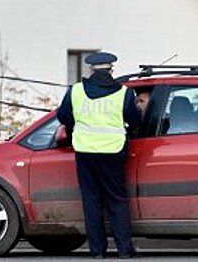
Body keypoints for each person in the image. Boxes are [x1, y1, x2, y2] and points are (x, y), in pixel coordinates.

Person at [57, 52, 140, 259]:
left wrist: (76, 124)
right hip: (113, 152)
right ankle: (124, 250)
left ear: (91, 70)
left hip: (85, 152)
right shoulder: (124, 93)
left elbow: (63, 116)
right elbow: (135, 121)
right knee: (117, 200)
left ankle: (97, 252)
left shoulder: (75, 91)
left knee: (91, 201)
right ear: (111, 70)